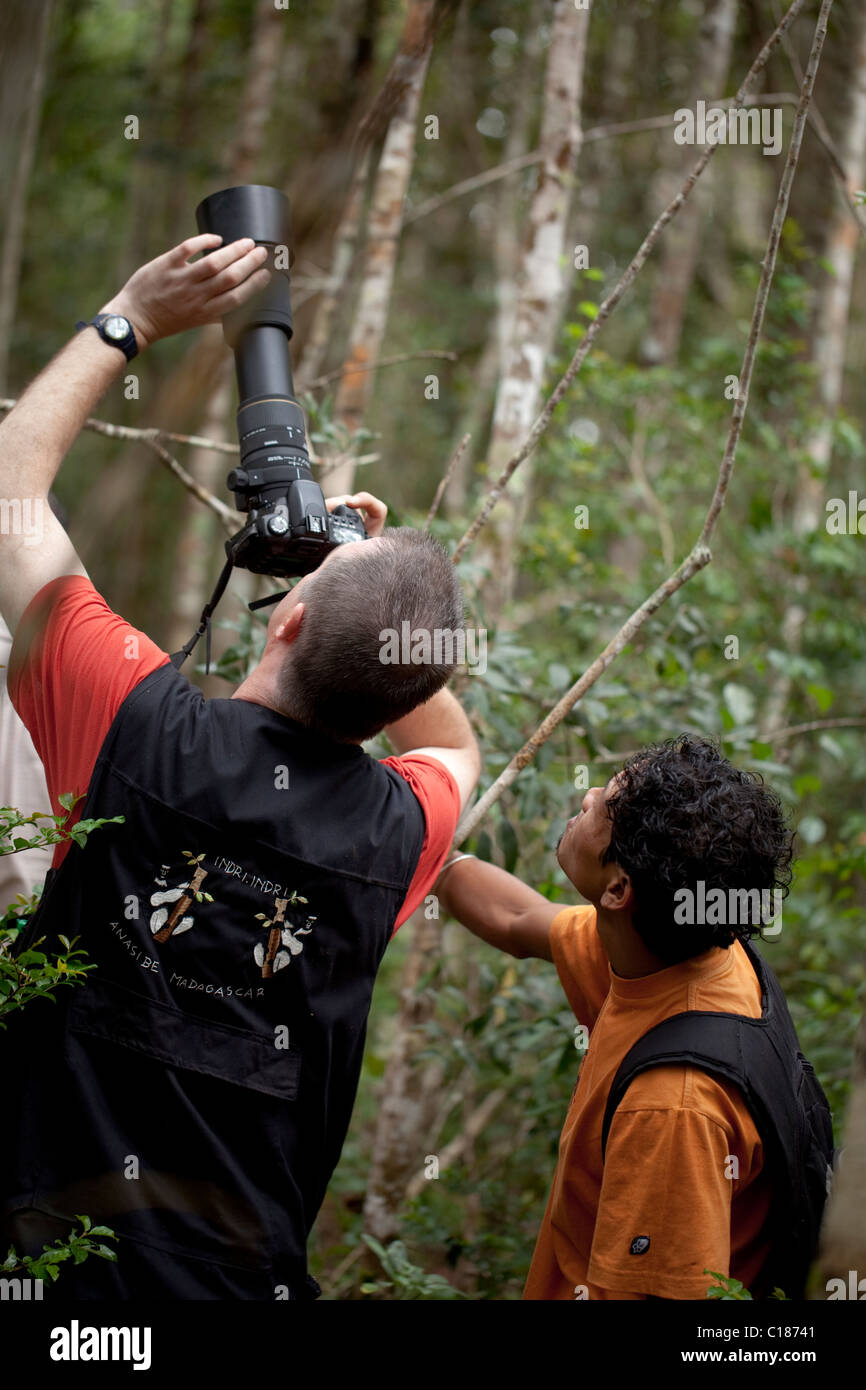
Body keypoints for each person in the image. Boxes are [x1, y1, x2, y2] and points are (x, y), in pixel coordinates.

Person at [0, 233, 480, 1299]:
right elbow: (446, 740)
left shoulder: (131, 721)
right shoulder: (398, 831)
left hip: (43, 1270)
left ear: (285, 619)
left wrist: (128, 316)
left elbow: (12, 498)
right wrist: (365, 592)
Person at [436, 735, 801, 1300]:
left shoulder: (674, 1106)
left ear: (619, 888)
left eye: (605, 805)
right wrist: (428, 845)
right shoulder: (683, 949)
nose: (587, 795)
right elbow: (517, 918)